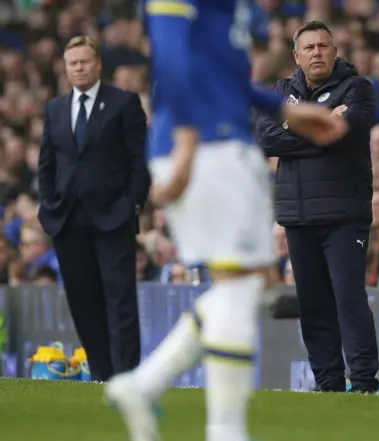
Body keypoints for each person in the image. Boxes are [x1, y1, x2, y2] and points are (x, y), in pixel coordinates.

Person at [105, 2, 347, 441]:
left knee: (253, 284)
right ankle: (225, 430)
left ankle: (143, 384)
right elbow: (172, 62)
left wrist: (286, 110)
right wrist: (186, 142)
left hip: (226, 141)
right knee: (240, 286)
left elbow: (223, 76)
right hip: (204, 145)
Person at [256, 20, 379, 393]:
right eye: (309, 48)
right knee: (313, 306)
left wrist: (295, 130)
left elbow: (347, 132)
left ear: (335, 51)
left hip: (344, 216)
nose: (317, 53)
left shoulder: (357, 88)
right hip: (298, 216)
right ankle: (328, 384)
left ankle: (362, 383)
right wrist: (322, 127)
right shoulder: (281, 92)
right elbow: (265, 138)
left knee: (348, 300)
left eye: (323, 46)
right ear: (296, 56)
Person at [37, 35, 150, 382]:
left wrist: (130, 206)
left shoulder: (123, 102)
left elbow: (139, 164)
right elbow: (46, 165)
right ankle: (101, 375)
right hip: (68, 220)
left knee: (120, 302)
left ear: (98, 64)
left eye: (85, 61)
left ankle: (126, 376)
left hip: (113, 218)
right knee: (83, 302)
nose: (79, 68)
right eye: (73, 63)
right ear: (66, 68)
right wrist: (48, 205)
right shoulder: (55, 109)